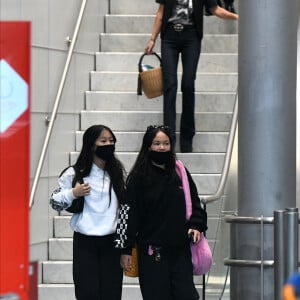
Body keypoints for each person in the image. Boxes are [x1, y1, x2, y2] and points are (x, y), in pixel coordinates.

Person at [115, 125, 208, 300]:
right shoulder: (138, 177)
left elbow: (194, 201)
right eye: (157, 143)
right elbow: (127, 214)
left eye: (166, 143)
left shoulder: (179, 171)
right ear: (148, 146)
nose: (162, 147)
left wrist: (196, 224)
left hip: (180, 251)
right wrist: (125, 249)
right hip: (152, 254)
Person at [145, 0, 238, 152]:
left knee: (188, 85)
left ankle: (187, 139)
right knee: (170, 86)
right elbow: (161, 12)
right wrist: (152, 39)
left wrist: (238, 17)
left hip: (191, 37)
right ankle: (169, 138)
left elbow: (215, 9)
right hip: (169, 36)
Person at [50, 124, 126, 300]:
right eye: (103, 141)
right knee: (87, 292)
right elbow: (55, 202)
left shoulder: (116, 172)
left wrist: (125, 248)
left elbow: (124, 210)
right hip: (85, 243)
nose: (108, 144)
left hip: (112, 243)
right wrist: (73, 193)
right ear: (92, 144)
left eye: (111, 141)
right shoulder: (75, 173)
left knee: (112, 293)